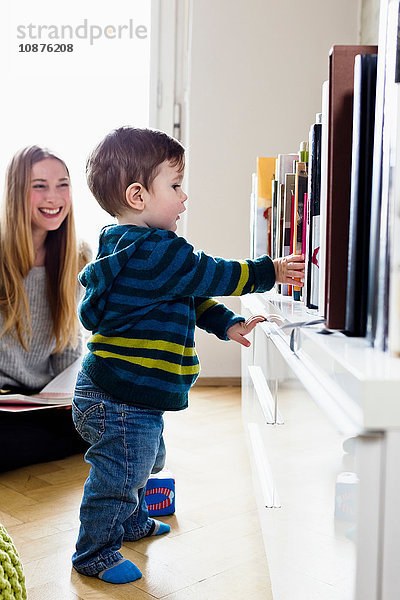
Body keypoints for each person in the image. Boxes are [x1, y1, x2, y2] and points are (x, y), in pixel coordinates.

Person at [72, 126, 305, 584]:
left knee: (148, 461)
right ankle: (94, 553)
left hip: (121, 394)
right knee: (121, 475)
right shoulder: (157, 250)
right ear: (138, 195)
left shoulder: (129, 246)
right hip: (120, 398)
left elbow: (188, 294)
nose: (185, 197)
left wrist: (226, 323)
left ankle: (131, 522)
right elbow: (209, 274)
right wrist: (269, 270)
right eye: (175, 186)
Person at [0, 145, 90, 472]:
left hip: (39, 402)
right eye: (39, 186)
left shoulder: (77, 257)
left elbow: (68, 348)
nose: (53, 197)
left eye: (62, 184)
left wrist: (72, 395)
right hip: (4, 402)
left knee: (108, 422)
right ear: (16, 192)